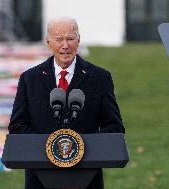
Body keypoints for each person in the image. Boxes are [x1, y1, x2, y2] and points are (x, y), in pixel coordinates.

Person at [8, 17, 125, 189]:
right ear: (48, 42)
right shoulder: (29, 79)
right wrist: (51, 145)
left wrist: (80, 146)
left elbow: (114, 127)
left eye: (70, 39)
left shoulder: (100, 78)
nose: (65, 45)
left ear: (79, 40)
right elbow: (17, 126)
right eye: (59, 39)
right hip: (40, 178)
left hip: (86, 177)